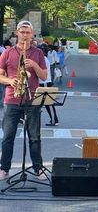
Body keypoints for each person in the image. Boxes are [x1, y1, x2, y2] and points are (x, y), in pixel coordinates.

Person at [0, 21, 47, 180]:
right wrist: (9, 81)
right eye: (22, 32)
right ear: (17, 33)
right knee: (8, 137)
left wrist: (33, 64)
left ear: (32, 34)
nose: (25, 35)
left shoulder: (38, 53)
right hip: (12, 99)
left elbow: (44, 76)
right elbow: (0, 75)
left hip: (32, 99)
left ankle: (37, 168)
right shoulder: (8, 52)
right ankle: (4, 168)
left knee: (34, 137)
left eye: (27, 32)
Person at [39, 44, 59, 126]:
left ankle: (55, 120)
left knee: (48, 103)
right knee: (37, 103)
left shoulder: (43, 59)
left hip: (45, 83)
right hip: (42, 83)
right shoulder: (42, 58)